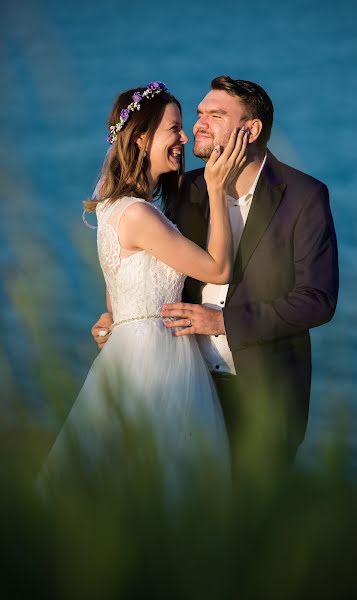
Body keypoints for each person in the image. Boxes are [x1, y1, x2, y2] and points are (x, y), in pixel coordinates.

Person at [92, 76, 339, 469]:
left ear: (251, 129)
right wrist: (121, 318)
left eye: (215, 115)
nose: (197, 126)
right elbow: (150, 262)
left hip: (262, 394)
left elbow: (318, 300)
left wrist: (224, 321)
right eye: (199, 114)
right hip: (183, 384)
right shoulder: (183, 190)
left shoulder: (304, 196)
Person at [44, 81, 248, 486]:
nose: (185, 137)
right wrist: (215, 186)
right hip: (159, 361)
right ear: (141, 138)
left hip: (132, 349)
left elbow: (116, 299)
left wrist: (110, 320)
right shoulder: (139, 214)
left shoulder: (110, 209)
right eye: (174, 129)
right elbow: (219, 268)